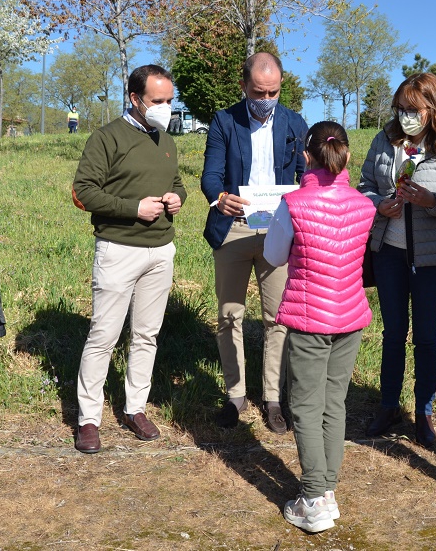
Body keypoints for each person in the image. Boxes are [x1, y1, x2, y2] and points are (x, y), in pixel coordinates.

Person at [263, 121, 375, 533]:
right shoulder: (365, 205)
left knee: (306, 407)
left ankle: (311, 497)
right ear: (345, 156)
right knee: (334, 405)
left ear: (306, 156)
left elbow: (274, 255)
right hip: (350, 317)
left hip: (310, 319)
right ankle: (326, 491)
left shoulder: (293, 203)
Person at [71, 65, 186, 453]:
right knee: (104, 335)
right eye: (158, 101)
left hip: (161, 250)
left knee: (146, 335)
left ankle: (135, 407)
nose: (165, 108)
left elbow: (176, 182)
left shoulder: (167, 140)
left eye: (170, 100)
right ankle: (88, 418)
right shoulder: (106, 138)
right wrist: (132, 208)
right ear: (135, 99)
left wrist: (177, 198)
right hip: (118, 249)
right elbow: (83, 192)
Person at [357, 73, 436, 447]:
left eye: (413, 109)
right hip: (389, 253)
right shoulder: (385, 140)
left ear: (432, 109)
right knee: (393, 334)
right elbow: (364, 186)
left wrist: (433, 203)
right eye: (400, 109)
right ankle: (388, 405)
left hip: (433, 258)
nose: (405, 116)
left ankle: (424, 410)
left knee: (427, 337)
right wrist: (379, 205)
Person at [201, 52, 307, 434]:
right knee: (230, 315)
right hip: (234, 227)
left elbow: (305, 175)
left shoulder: (295, 123)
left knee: (277, 317)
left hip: (278, 229)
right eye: (259, 91)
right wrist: (219, 198)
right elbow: (210, 174)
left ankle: (274, 398)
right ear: (244, 85)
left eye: (273, 91)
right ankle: (235, 395)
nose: (266, 98)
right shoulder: (224, 121)